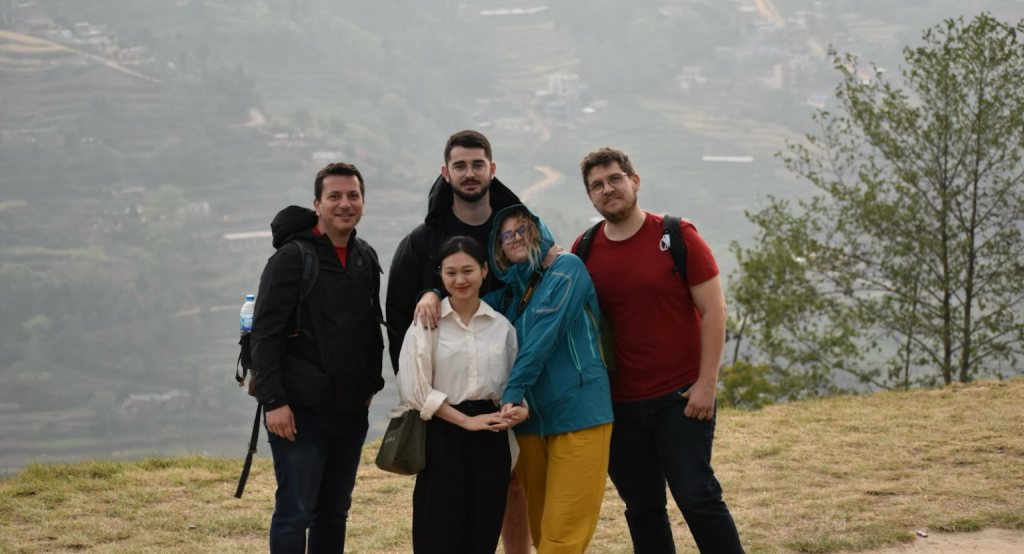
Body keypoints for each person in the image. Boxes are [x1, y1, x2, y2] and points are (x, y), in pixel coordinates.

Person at [572, 147, 745, 554]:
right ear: (590, 196)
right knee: (642, 508)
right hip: (618, 405)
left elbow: (714, 311)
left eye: (615, 179)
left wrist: (707, 384)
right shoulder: (584, 249)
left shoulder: (678, 235)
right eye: (597, 185)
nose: (607, 189)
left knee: (698, 498)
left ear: (635, 181)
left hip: (680, 397)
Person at [385, 129, 531, 553]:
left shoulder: (514, 228)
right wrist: (421, 392)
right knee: (442, 514)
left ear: (492, 169)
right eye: (460, 165)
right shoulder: (423, 240)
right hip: (442, 402)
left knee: (509, 490)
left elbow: (536, 274)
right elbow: (399, 320)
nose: (470, 173)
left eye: (478, 164)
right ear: (445, 172)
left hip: (504, 389)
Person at [249, 162, 385, 554]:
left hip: (351, 411)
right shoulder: (292, 259)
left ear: (363, 202)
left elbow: (369, 329)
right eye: (334, 196)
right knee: (295, 512)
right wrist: (274, 402)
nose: (345, 204)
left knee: (334, 512)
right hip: (299, 413)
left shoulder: (364, 256)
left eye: (353, 195)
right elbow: (264, 334)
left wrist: (370, 387)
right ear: (317, 204)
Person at [488, 205, 615, 554]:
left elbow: (545, 334)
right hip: (530, 426)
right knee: (543, 534)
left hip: (579, 414)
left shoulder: (566, 268)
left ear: (538, 231)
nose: (515, 238)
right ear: (499, 247)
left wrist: (513, 391)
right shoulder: (508, 297)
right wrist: (432, 295)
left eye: (522, 229)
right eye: (506, 234)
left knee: (562, 540)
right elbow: (464, 301)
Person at [395, 236, 528, 553]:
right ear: (440, 275)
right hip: (442, 435)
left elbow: (515, 383)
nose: (460, 280)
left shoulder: (502, 327)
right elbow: (415, 389)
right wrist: (465, 422)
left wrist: (520, 409)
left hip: (492, 437)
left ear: (484, 270)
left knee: (482, 533)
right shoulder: (426, 324)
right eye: (450, 272)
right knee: (437, 533)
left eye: (468, 270)